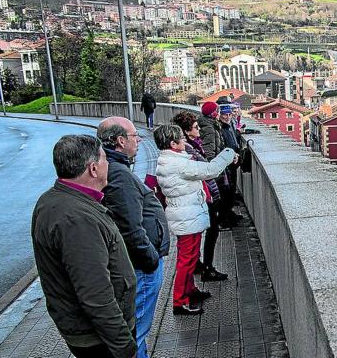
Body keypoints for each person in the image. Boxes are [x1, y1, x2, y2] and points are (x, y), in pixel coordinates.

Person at [31, 135, 137, 358]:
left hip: (92, 333)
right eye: (105, 159)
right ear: (93, 169)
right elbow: (95, 294)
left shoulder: (55, 199)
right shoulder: (76, 219)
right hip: (100, 339)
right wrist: (124, 345)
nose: (109, 164)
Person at [97, 117, 170, 358]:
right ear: (120, 141)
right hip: (141, 267)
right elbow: (130, 228)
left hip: (139, 264)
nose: (138, 140)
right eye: (133, 136)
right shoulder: (117, 174)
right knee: (136, 331)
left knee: (137, 330)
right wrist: (150, 259)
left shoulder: (115, 168)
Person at [154, 124, 236, 315]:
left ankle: (189, 291)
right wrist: (229, 152)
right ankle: (179, 301)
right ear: (173, 144)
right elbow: (211, 170)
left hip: (185, 215)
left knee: (189, 257)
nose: (185, 141)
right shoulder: (178, 164)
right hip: (187, 217)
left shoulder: (167, 161)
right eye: (181, 138)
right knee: (186, 259)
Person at [172, 111, 229, 281]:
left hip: (199, 195)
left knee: (200, 234)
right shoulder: (189, 149)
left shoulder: (191, 145)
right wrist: (228, 155)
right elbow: (206, 169)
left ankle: (199, 265)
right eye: (196, 128)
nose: (199, 130)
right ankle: (207, 268)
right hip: (201, 195)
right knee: (211, 230)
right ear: (187, 132)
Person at [218, 103, 242, 225]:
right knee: (226, 191)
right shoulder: (221, 128)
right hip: (227, 162)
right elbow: (222, 145)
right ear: (219, 115)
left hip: (232, 160)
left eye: (229, 114)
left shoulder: (229, 126)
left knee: (231, 188)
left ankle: (229, 214)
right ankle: (225, 218)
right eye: (224, 115)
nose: (227, 117)